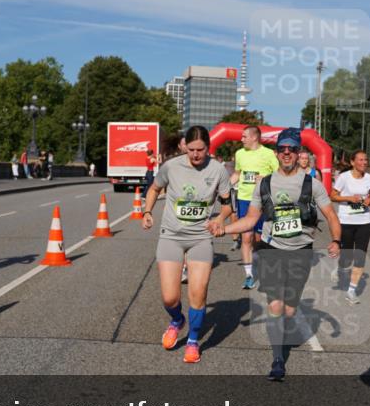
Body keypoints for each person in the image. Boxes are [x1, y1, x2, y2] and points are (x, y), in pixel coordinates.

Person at [213, 127, 341, 381]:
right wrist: (224, 229)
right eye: (282, 149)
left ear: (298, 153)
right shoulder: (264, 183)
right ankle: (278, 359)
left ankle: (283, 332)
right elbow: (251, 219)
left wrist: (336, 239)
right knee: (275, 305)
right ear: (276, 152)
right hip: (272, 249)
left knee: (290, 310)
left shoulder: (312, 184)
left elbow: (330, 215)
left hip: (301, 251)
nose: (286, 153)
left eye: (291, 149)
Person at [142, 126, 232, 365]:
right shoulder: (171, 166)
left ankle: (193, 341)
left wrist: (220, 219)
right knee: (170, 298)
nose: (195, 155)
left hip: (200, 238)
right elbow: (154, 188)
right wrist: (147, 211)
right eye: (191, 149)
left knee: (198, 293)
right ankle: (176, 321)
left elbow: (227, 204)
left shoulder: (218, 170)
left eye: (200, 150)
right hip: (171, 236)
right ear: (184, 146)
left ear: (208, 148)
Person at [230, 126, 279, 289]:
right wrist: (224, 188)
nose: (241, 139)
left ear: (254, 137)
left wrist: (265, 178)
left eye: (244, 136)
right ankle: (249, 275)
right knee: (246, 237)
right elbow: (237, 174)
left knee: (259, 240)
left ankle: (259, 264)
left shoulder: (268, 154)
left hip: (263, 200)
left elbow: (280, 174)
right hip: (244, 199)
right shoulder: (239, 153)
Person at [331, 149, 370, 304]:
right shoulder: (344, 178)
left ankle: (351, 291)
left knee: (360, 255)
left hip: (364, 222)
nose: (364, 163)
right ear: (352, 162)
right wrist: (349, 198)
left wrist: (368, 202)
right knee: (346, 256)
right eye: (360, 160)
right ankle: (340, 269)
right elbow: (333, 195)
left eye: (365, 160)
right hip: (345, 221)